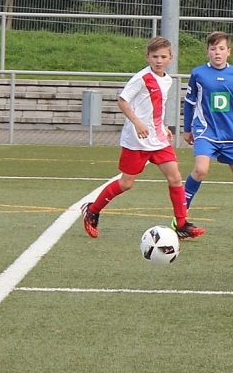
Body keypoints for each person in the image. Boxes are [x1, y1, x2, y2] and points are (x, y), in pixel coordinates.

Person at [81, 37, 205, 240]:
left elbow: (155, 107)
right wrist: (137, 122)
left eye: (163, 57)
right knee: (126, 183)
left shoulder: (167, 80)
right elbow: (123, 101)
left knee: (175, 177)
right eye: (155, 57)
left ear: (170, 58)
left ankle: (181, 224)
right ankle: (92, 210)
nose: (159, 61)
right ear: (147, 57)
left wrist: (162, 126)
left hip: (158, 139)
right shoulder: (141, 78)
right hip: (136, 140)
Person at [182, 31, 233, 233]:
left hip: (230, 133)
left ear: (229, 52)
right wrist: (187, 128)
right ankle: (180, 216)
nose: (217, 52)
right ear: (207, 52)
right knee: (200, 169)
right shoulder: (198, 74)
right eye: (213, 48)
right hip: (205, 130)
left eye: (221, 48)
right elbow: (190, 103)